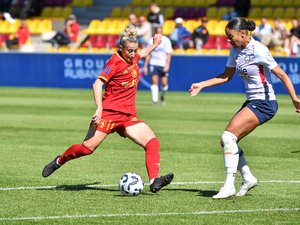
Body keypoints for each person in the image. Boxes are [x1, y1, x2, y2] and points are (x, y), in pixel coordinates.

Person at [42, 25, 174, 193]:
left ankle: (155, 180)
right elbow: (97, 83)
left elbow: (143, 53)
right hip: (108, 114)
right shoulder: (115, 62)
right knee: (87, 148)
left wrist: (155, 45)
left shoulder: (133, 57)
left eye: (135, 50)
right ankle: (59, 161)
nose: (133, 54)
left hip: (127, 116)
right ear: (121, 49)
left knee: (152, 142)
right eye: (129, 51)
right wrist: (99, 108)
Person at [189, 17, 300, 199]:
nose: (228, 39)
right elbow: (226, 76)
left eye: (230, 36)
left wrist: (294, 98)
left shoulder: (259, 50)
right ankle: (248, 177)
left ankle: (229, 185)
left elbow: (282, 75)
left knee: (228, 137)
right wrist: (201, 84)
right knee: (227, 141)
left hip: (265, 103)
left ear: (243, 33)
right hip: (253, 101)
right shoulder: (235, 50)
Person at [144, 26, 172, 105]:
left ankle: (162, 96)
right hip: (154, 64)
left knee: (164, 84)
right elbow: (148, 54)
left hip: (163, 64)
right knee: (154, 82)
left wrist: (167, 65)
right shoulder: (150, 41)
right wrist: (146, 66)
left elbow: (169, 54)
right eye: (157, 32)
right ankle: (155, 100)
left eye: (160, 31)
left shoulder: (166, 41)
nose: (159, 33)